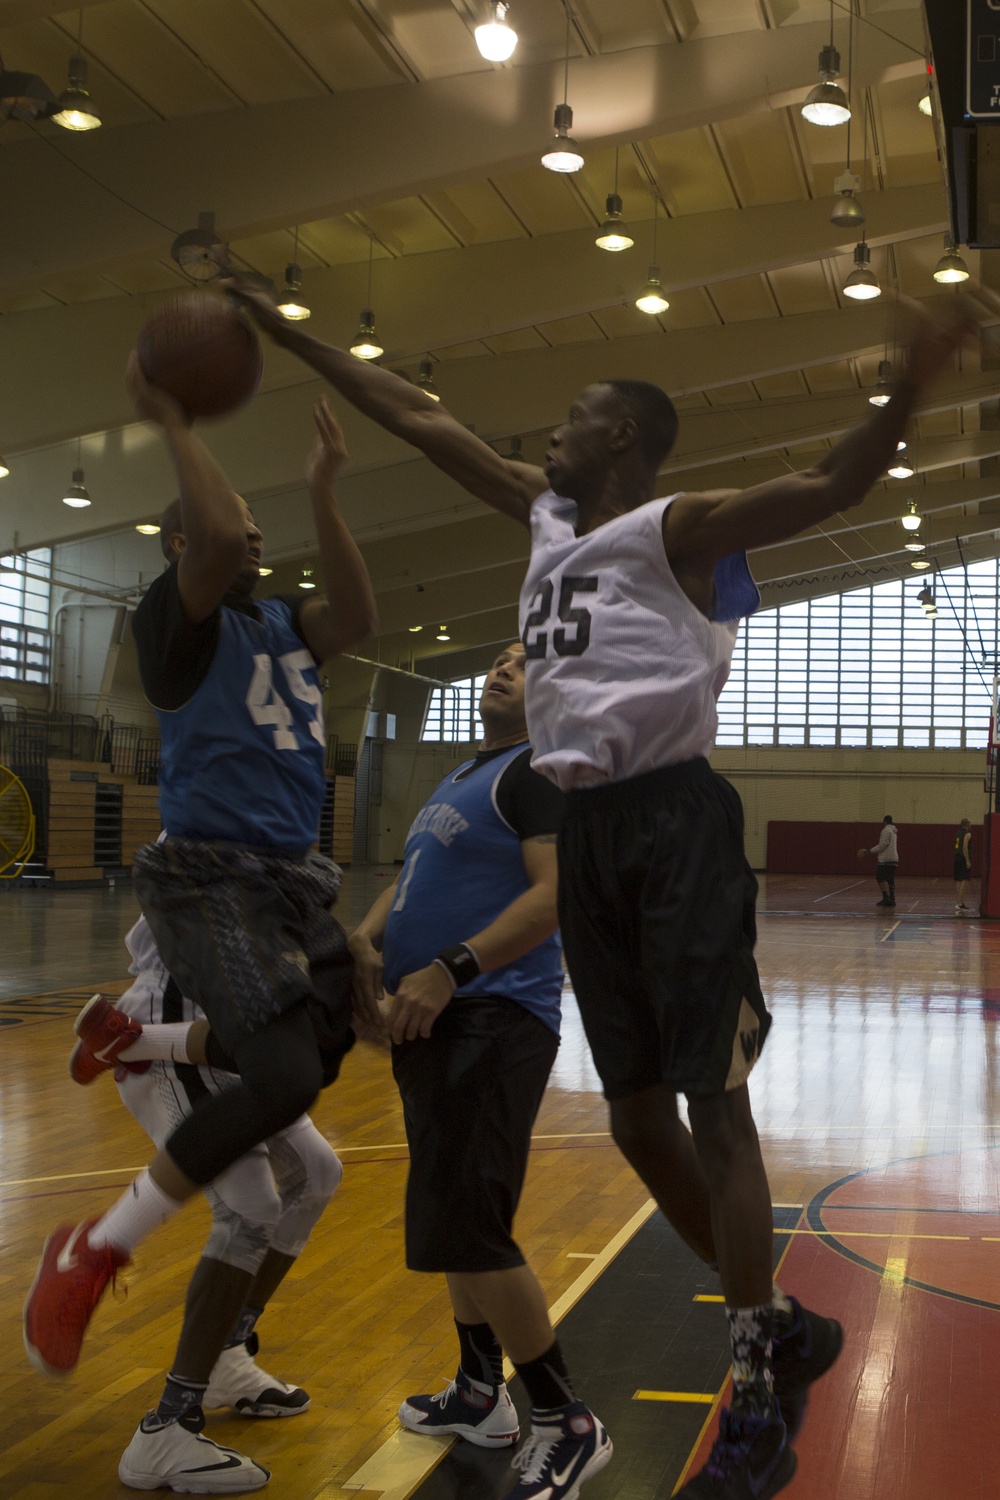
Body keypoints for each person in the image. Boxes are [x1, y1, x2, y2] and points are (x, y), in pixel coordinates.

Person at [230, 277, 973, 1500]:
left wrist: (910, 380)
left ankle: (752, 1384)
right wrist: (282, 327)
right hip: (593, 832)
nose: (548, 437)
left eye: (571, 419)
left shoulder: (672, 528)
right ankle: (778, 1324)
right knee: (633, 1119)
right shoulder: (542, 523)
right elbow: (422, 419)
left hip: (675, 825)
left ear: (619, 436)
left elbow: (833, 489)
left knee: (713, 1111)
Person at [24, 369, 378, 1478]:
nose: (251, 531)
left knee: (313, 1144)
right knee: (270, 1128)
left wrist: (326, 488)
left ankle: (223, 1358)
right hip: (206, 891)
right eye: (229, 527)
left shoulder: (278, 624)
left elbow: (358, 616)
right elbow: (218, 529)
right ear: (181, 547)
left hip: (282, 892)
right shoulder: (174, 622)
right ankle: (129, 1334)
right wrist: (172, 416)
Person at [349, 641, 613, 1495]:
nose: (502, 668)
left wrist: (450, 967)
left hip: (493, 1018)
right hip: (434, 1021)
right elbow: (419, 874)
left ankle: (567, 1417)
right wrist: (367, 939)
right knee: (449, 1214)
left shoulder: (537, 771)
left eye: (522, 665)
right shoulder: (466, 775)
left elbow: (554, 892)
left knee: (471, 1218)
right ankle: (477, 1389)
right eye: (497, 660)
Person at [68, 916, 344, 1491]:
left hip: (221, 1017)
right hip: (183, 1015)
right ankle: (167, 1425)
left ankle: (225, 1354)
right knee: (248, 1209)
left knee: (316, 1173)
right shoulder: (227, 863)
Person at [871, 815, 898, 909]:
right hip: (894, 858)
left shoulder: (886, 830)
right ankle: (892, 899)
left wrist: (870, 851)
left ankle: (886, 897)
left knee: (879, 877)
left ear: (885, 821)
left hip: (886, 859)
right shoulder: (894, 831)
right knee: (890, 879)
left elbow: (883, 845)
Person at [954, 818, 973, 913]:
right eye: (970, 823)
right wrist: (967, 860)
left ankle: (960, 902)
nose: (971, 825)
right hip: (963, 858)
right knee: (965, 879)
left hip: (956, 857)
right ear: (967, 824)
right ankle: (959, 902)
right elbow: (965, 847)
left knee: (959, 879)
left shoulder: (957, 833)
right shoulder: (968, 834)